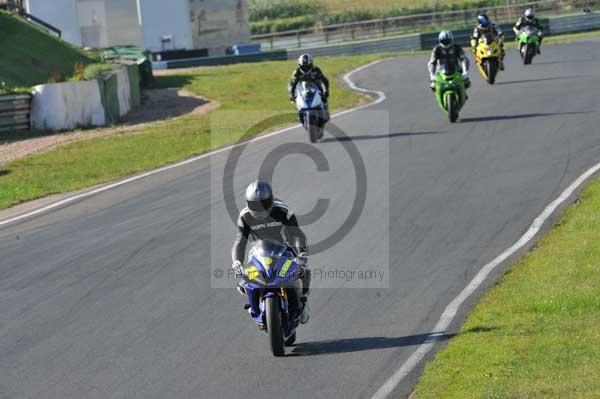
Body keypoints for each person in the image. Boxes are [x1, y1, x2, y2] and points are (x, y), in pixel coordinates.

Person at [231, 180, 311, 323]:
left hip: (285, 252)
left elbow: (297, 234)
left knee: (302, 272)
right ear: (248, 202)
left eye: (264, 203)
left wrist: (302, 253)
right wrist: (237, 261)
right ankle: (254, 307)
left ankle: (303, 300)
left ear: (271, 199)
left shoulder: (283, 211)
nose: (260, 209)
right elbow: (240, 242)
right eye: (255, 205)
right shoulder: (245, 217)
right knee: (244, 280)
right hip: (258, 254)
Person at [288, 53, 330, 120]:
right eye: (303, 66)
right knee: (296, 99)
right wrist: (291, 94)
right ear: (300, 65)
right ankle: (299, 113)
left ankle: (325, 113)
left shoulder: (316, 70)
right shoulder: (297, 72)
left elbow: (324, 80)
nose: (305, 68)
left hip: (316, 87)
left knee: (324, 98)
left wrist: (326, 91)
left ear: (311, 64)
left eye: (307, 66)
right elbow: (292, 84)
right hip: (302, 89)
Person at [428, 30, 470, 95]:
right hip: (440, 71)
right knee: (433, 86)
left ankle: (463, 93)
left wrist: (465, 72)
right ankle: (438, 94)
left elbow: (464, 59)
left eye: (447, 40)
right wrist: (432, 75)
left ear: (451, 40)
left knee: (466, 83)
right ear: (440, 40)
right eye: (444, 41)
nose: (446, 42)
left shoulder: (457, 47)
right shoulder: (436, 49)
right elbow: (432, 62)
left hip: (456, 69)